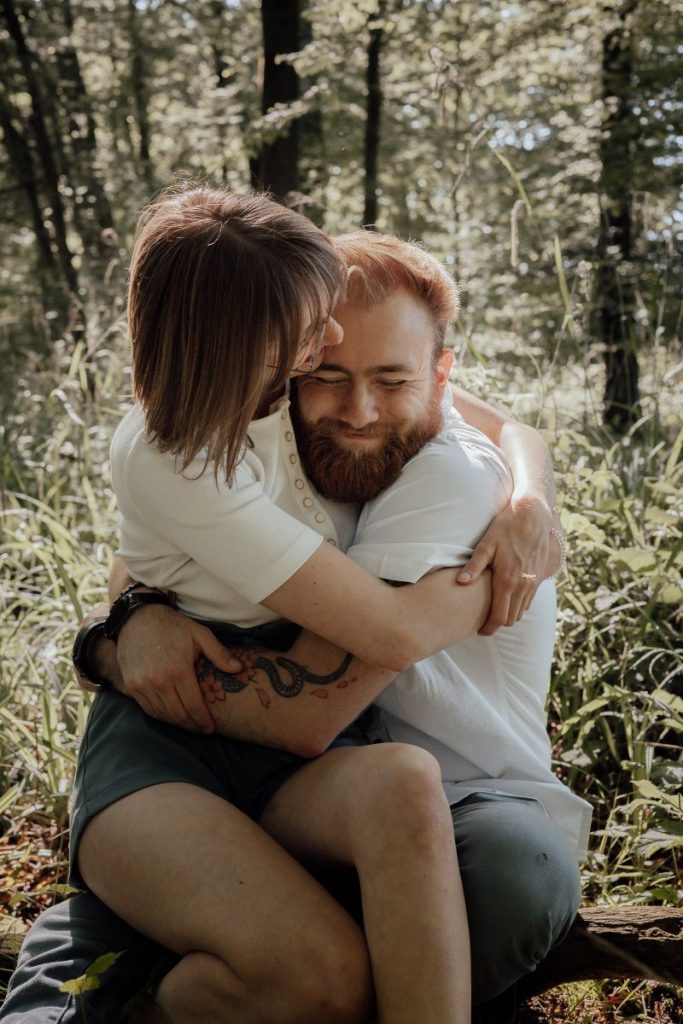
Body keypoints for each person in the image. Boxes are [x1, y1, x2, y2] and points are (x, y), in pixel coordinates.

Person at [0, 204, 568, 1024]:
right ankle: (126, 989)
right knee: (322, 980)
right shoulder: (182, 450)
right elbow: (394, 633)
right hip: (169, 747)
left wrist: (529, 496)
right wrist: (115, 635)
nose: (329, 362)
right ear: (248, 346)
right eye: (313, 352)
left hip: (293, 756)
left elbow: (505, 421)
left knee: (402, 782)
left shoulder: (290, 395)